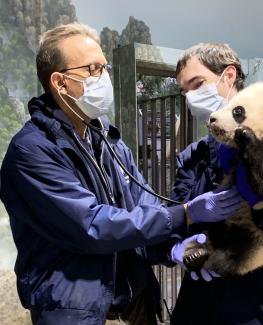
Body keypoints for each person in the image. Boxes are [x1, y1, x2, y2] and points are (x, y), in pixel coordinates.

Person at [0, 26, 244, 325]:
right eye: (93, 68)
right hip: (76, 309)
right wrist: (184, 214)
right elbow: (92, 225)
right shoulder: (32, 152)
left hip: (134, 297)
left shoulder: (107, 139)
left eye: (104, 67)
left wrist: (175, 247)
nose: (103, 77)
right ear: (60, 82)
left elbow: (141, 204)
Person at [169, 42, 263, 324]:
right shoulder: (194, 157)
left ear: (229, 76)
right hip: (204, 306)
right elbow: (177, 217)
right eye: (184, 91)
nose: (190, 97)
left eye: (197, 84)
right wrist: (180, 244)